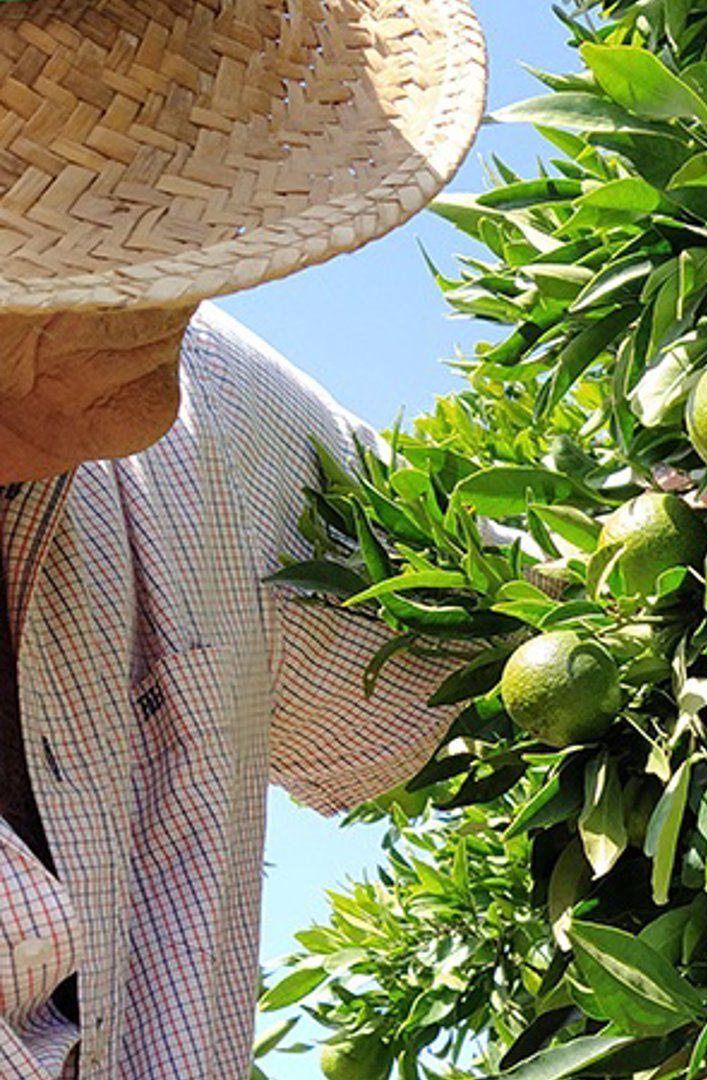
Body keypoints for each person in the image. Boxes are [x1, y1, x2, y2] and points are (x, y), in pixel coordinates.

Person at [0, 0, 489, 1075]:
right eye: (89, 223)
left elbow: (517, 662)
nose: (191, 271)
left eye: (164, 180)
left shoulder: (216, 417)